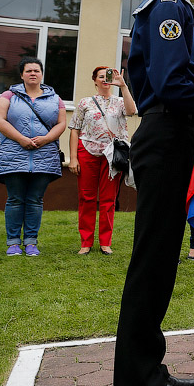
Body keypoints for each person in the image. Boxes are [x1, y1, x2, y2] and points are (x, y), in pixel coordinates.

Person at [113, 0, 194, 386]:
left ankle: (149, 367)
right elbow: (175, 85)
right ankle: (139, 383)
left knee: (158, 261)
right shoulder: (170, 7)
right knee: (152, 263)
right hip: (169, 133)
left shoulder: (168, 7)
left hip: (171, 135)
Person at [0, 57, 66, 256]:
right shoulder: (8, 95)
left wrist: (46, 139)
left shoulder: (55, 98)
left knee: (35, 200)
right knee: (15, 199)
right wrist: (22, 139)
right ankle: (13, 243)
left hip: (44, 155)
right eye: (28, 71)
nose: (33, 73)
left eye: (36, 70)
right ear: (22, 74)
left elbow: (61, 123)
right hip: (13, 154)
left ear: (42, 74)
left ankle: (31, 242)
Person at [68, 66, 137, 255]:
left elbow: (132, 111)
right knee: (87, 198)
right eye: (101, 76)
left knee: (108, 199)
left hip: (112, 155)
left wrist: (123, 86)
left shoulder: (120, 101)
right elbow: (74, 129)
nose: (105, 80)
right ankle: (86, 242)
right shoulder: (85, 103)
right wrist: (73, 158)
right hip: (87, 151)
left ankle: (105, 242)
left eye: (108, 76)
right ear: (95, 81)